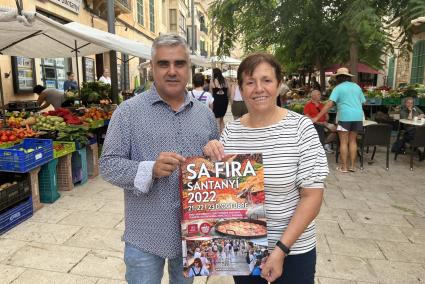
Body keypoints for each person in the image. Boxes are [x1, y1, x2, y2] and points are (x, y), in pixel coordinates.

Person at [99, 34, 219, 284]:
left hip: (193, 233)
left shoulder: (204, 116)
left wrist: (216, 155)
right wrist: (149, 169)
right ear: (152, 67)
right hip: (145, 234)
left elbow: (214, 173)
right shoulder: (128, 112)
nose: (172, 71)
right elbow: (108, 165)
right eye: (164, 64)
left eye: (179, 64)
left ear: (189, 67)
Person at [203, 53, 328, 284]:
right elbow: (226, 193)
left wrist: (280, 250)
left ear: (279, 84)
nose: (259, 88)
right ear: (240, 88)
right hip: (245, 248)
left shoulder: (301, 129)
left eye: (266, 80)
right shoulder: (230, 133)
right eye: (250, 82)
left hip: (294, 252)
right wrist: (211, 157)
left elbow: (312, 197)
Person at [313, 67, 365, 173]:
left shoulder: (338, 88)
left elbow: (329, 104)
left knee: (343, 142)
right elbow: (363, 101)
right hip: (357, 116)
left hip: (345, 117)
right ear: (348, 77)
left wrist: (317, 117)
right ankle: (352, 167)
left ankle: (344, 167)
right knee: (353, 141)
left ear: (338, 78)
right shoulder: (357, 87)